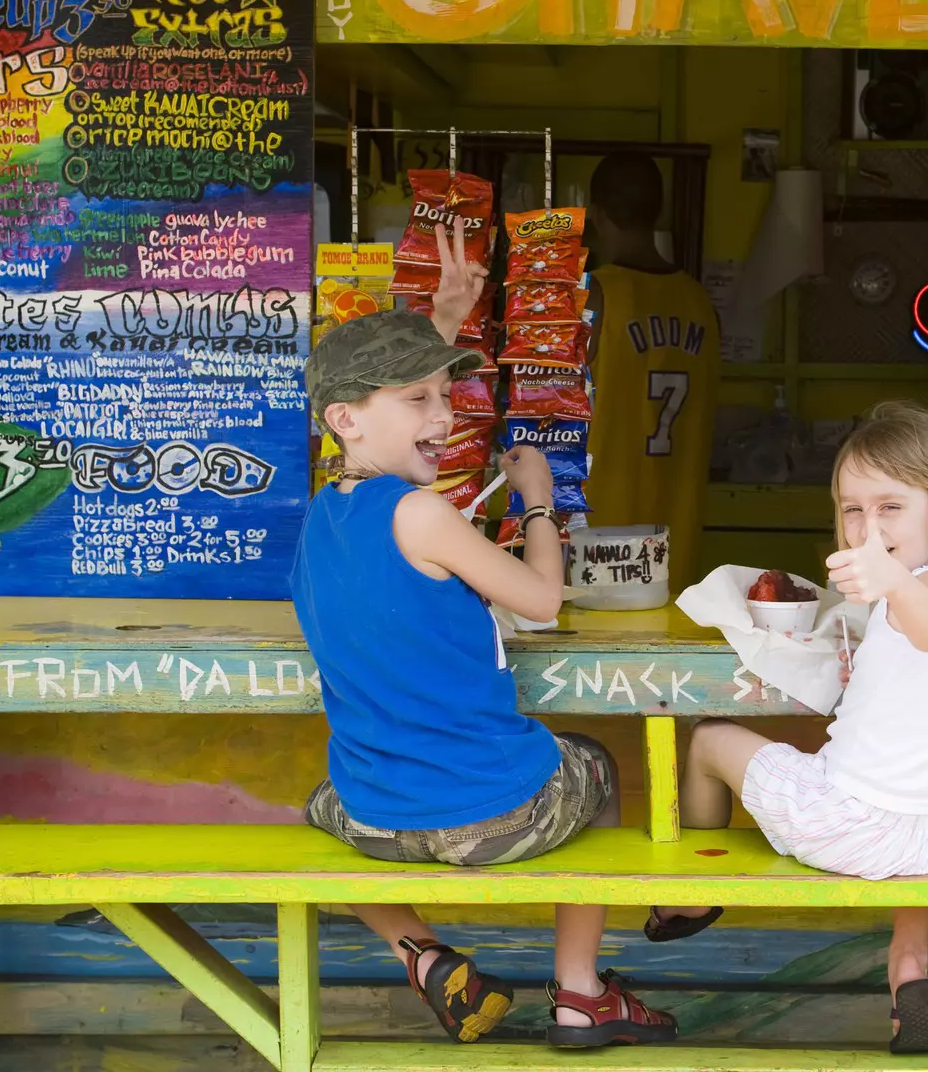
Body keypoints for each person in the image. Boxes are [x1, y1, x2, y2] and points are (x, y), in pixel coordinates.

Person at [291, 222, 704, 1049]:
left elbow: (386, 408)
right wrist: (539, 498)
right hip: (496, 815)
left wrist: (442, 322)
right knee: (595, 763)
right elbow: (544, 599)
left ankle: (421, 951)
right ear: (346, 417)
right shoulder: (424, 513)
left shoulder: (315, 525)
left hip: (376, 820)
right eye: (423, 402)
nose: (444, 418)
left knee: (313, 808)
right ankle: (581, 991)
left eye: (446, 396)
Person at [678, 402, 928, 1054]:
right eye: (852, 508)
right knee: (906, 793)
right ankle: (909, 967)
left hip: (845, 824)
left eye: (890, 506)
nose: (867, 527)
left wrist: (895, 583)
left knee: (706, 738)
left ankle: (691, 896)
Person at [584, 154, 719, 589]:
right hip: (674, 529)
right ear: (657, 211)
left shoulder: (598, 294)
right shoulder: (699, 302)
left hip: (600, 530)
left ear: (594, 212)